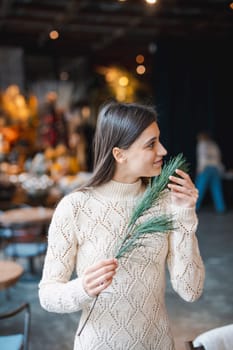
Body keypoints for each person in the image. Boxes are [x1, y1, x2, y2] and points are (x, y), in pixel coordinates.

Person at [38, 101, 205, 350]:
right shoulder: (74, 207)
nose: (163, 150)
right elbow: (47, 295)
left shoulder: (165, 203)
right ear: (119, 154)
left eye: (159, 140)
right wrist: (81, 288)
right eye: (151, 144)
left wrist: (185, 216)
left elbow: (190, 290)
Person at [195, 131, 226, 213]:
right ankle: (221, 208)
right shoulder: (213, 144)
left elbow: (202, 158)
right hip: (215, 168)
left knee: (199, 189)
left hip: (206, 168)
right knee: (216, 188)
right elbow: (218, 156)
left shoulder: (202, 144)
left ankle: (194, 207)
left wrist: (200, 169)